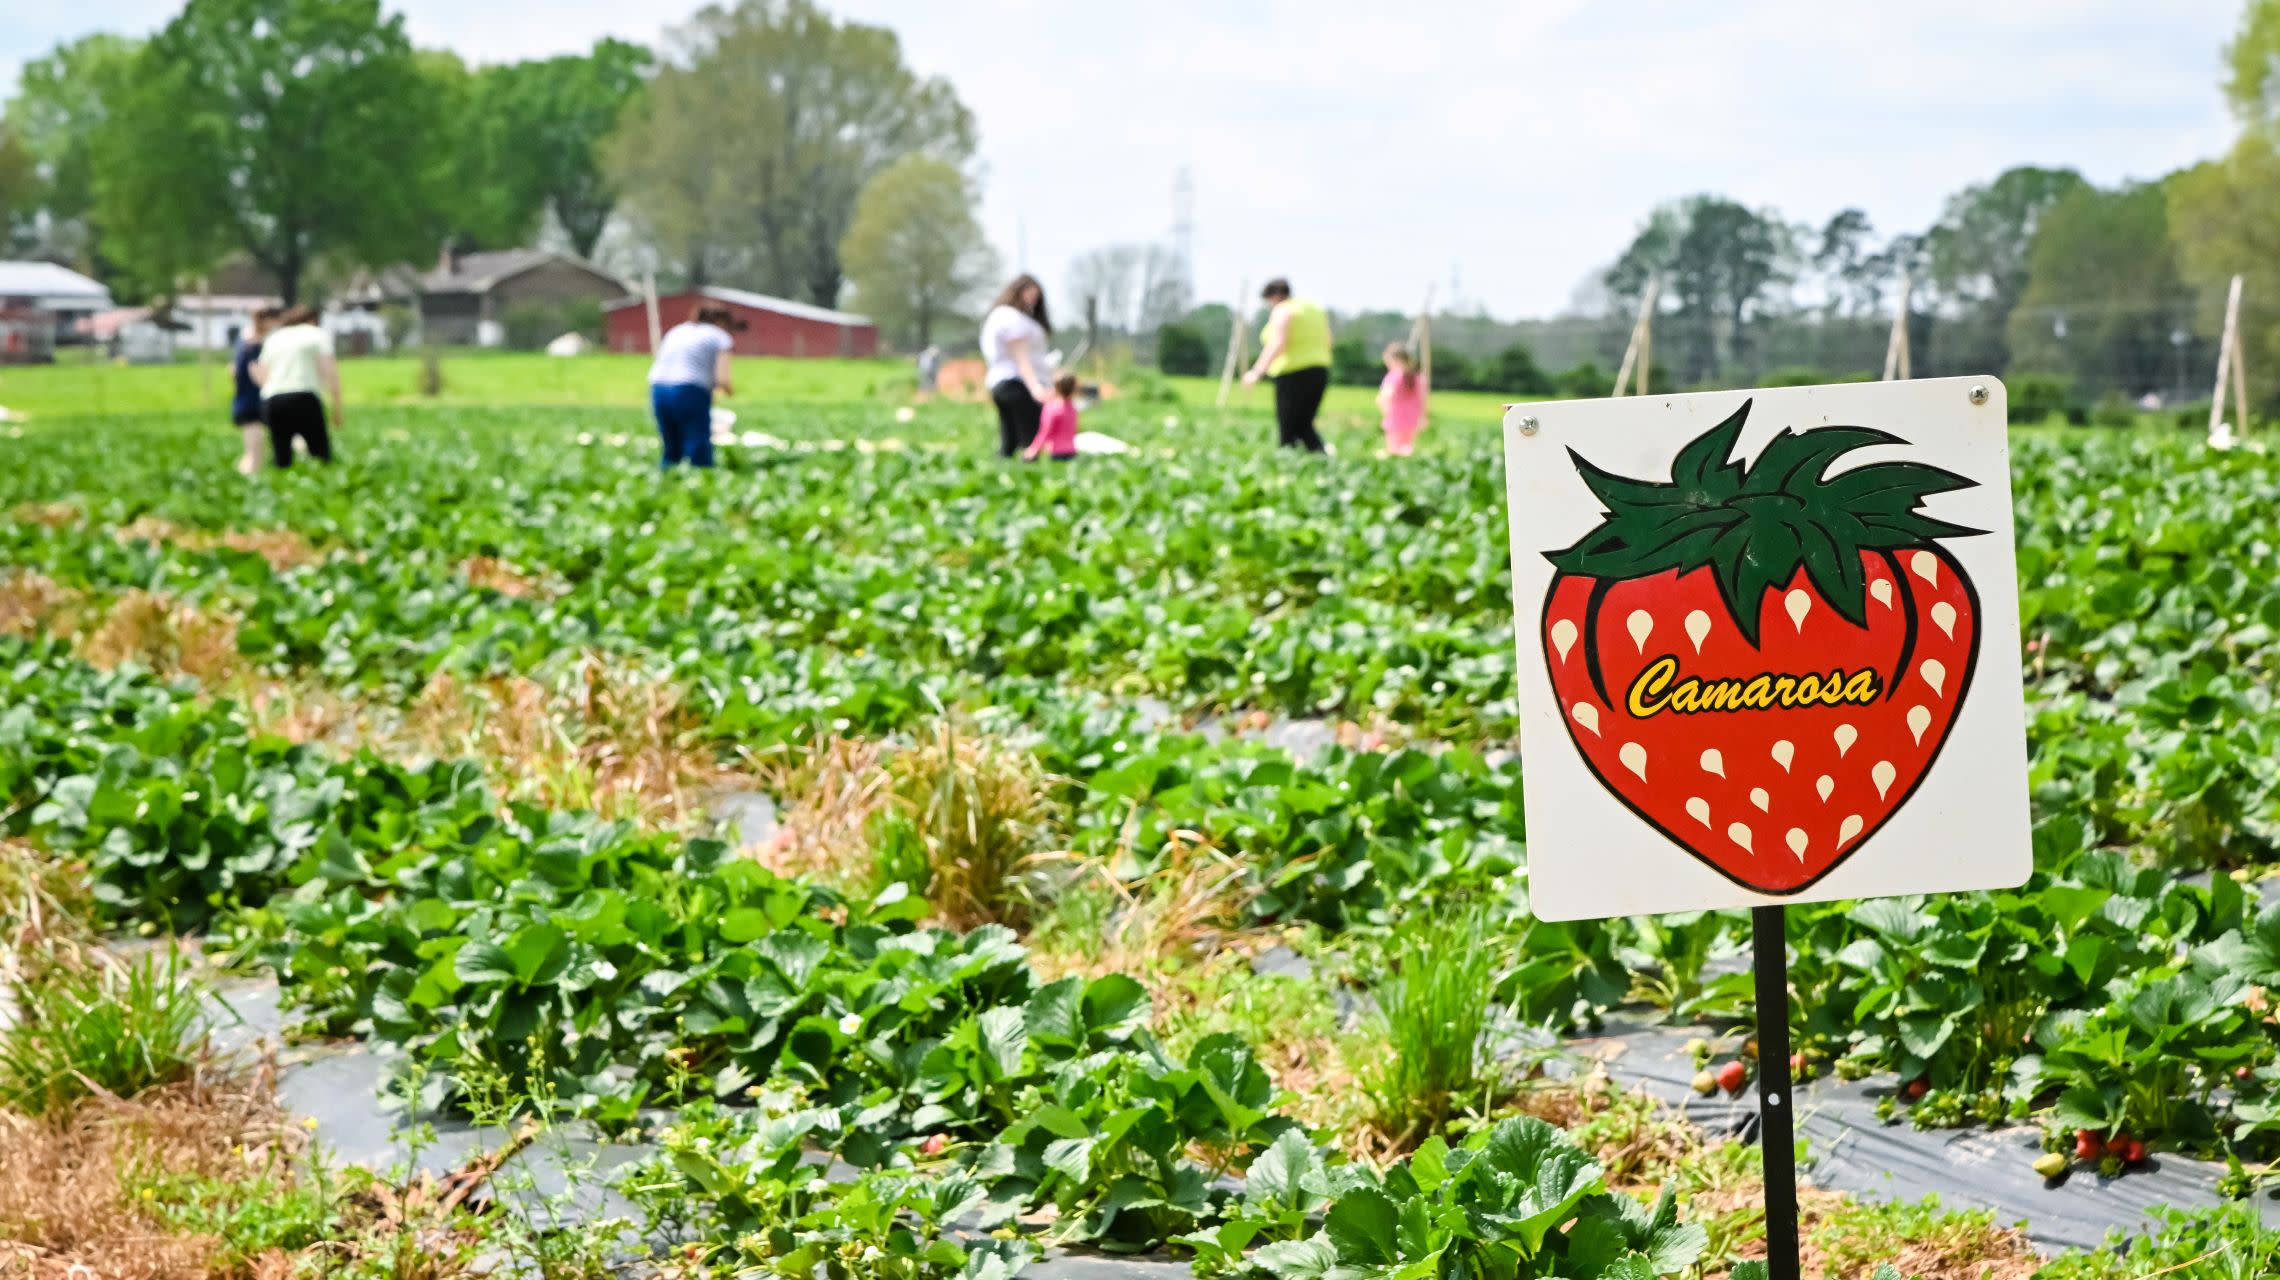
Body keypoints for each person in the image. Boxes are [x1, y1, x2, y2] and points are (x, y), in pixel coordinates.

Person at [1241, 278, 1332, 452]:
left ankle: (1287, 463)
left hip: (1292, 373)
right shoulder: (1314, 309)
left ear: (1273, 296)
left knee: (1288, 427)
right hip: (1320, 371)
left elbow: (1277, 343)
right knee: (1305, 423)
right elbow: (1329, 341)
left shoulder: (1283, 310)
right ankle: (1320, 458)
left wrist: (1257, 372)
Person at [649, 303, 742, 469]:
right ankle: (701, 482)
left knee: (671, 447)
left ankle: (666, 484)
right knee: (697, 443)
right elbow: (723, 379)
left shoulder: (678, 330)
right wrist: (731, 392)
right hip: (689, 390)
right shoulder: (719, 336)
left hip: (658, 389)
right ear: (720, 321)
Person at [251, 305, 340, 468]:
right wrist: (337, 408)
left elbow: (263, 376)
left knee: (282, 456)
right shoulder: (316, 334)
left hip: (273, 399)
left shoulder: (274, 338)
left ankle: (283, 488)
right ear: (312, 320)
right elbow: (330, 373)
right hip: (304, 396)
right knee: (320, 455)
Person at [979, 275, 1053, 457]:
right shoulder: (1010, 317)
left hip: (1001, 383)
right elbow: (1020, 358)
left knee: (1010, 440)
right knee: (1033, 441)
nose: (1032, 300)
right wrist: (1035, 387)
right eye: (1030, 294)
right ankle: (1031, 478)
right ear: (1018, 291)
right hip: (1017, 383)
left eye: (1036, 297)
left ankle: (1004, 476)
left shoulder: (1004, 315)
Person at [230, 307, 280, 475]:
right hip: (251, 402)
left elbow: (233, 372)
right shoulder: (252, 343)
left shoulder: (245, 340)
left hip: (246, 400)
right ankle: (245, 482)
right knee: (255, 452)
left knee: (256, 450)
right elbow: (258, 375)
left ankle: (245, 479)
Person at [1377, 342, 1428, 457]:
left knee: (1393, 450)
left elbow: (1385, 397)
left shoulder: (1393, 376)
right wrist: (1424, 417)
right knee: (1407, 448)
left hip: (1395, 418)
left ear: (1393, 359)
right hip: (1413, 419)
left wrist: (1385, 411)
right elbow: (1423, 399)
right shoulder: (1418, 377)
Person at [1025, 372, 1082, 462]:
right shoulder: (1073, 409)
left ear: (1055, 388)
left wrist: (1033, 450)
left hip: (1056, 452)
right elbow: (1075, 430)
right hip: (1072, 452)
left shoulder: (1051, 408)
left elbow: (1045, 432)